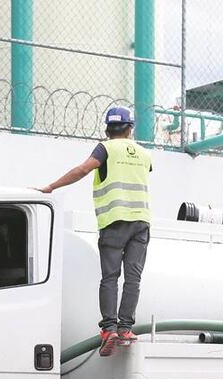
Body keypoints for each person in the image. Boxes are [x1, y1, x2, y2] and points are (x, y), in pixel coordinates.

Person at [37, 106, 151, 357]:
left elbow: (83, 170)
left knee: (110, 276)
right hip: (141, 222)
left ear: (108, 129)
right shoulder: (144, 154)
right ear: (130, 128)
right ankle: (126, 329)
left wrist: (52, 186)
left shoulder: (105, 148)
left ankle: (109, 328)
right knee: (133, 278)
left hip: (113, 221)